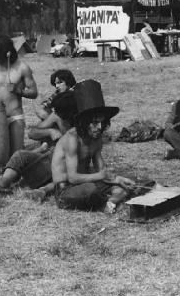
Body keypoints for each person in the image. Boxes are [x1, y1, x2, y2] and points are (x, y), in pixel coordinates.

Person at [50, 79, 135, 214]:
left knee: (123, 188)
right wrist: (101, 176)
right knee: (92, 190)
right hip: (66, 190)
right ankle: (105, 201)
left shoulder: (96, 138)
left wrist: (117, 179)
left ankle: (109, 203)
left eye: (102, 123)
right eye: (95, 123)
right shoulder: (71, 139)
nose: (99, 127)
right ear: (84, 122)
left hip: (86, 184)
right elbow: (72, 178)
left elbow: (101, 169)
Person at [0, 91, 78, 201]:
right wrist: (50, 131)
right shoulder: (56, 116)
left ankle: (42, 190)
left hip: (62, 163)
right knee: (20, 155)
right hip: (49, 156)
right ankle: (3, 183)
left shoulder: (80, 124)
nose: (57, 114)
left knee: (63, 172)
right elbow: (32, 132)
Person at [0, 34, 38, 155]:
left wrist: (19, 91)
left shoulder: (22, 68)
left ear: (8, 53)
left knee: (16, 154)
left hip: (15, 117)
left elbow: (34, 93)